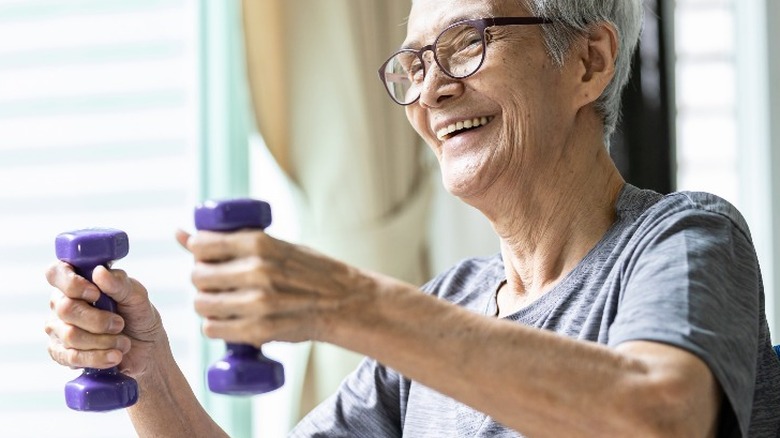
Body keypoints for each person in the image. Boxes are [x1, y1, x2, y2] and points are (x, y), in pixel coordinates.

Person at [45, 0, 780, 436]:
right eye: (412, 65)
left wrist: (347, 303)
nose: (430, 92)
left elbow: (661, 417)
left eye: (467, 44)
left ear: (588, 60)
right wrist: (149, 373)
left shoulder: (683, 240)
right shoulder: (446, 305)